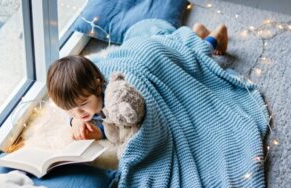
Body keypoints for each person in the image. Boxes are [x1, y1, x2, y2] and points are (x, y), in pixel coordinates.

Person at [46, 22, 228, 141]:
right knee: (181, 45)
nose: (78, 112)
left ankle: (214, 38)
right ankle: (193, 33)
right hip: (133, 57)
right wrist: (74, 122)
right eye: (69, 108)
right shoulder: (77, 107)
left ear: (96, 85)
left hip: (147, 57)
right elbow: (99, 120)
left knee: (188, 58)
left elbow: (125, 121)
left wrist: (101, 131)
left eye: (83, 104)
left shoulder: (117, 95)